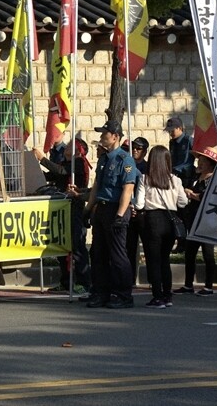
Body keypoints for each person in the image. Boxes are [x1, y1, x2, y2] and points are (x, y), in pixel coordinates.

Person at [80, 119, 138, 309]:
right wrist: (88, 209)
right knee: (98, 253)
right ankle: (100, 292)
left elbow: (127, 190)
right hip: (102, 209)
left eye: (104, 133)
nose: (101, 136)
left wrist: (121, 216)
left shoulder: (125, 160)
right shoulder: (104, 159)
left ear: (115, 136)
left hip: (115, 209)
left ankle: (123, 295)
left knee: (118, 255)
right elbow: (97, 186)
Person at [33, 139, 92, 295]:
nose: (66, 147)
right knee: (61, 244)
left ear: (79, 151)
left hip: (74, 208)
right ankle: (66, 281)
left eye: (71, 146)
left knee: (77, 246)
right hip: (62, 210)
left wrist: (42, 159)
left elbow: (60, 171)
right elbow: (53, 175)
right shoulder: (65, 163)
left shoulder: (78, 163)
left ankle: (83, 282)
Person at [134, 146, 188, 308]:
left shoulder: (145, 178)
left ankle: (157, 296)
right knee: (165, 259)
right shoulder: (175, 180)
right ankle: (168, 295)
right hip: (170, 220)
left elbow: (139, 203)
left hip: (152, 220)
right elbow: (183, 202)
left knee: (154, 260)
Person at [173, 145, 217, 297]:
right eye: (199, 160)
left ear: (211, 163)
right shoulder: (196, 177)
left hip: (207, 220)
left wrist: (191, 194)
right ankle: (188, 284)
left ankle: (209, 286)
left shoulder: (214, 179)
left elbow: (208, 197)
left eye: (203, 161)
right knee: (190, 253)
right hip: (193, 219)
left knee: (208, 253)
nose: (199, 163)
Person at [126, 136, 149, 285]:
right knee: (129, 247)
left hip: (143, 211)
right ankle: (130, 278)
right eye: (133, 147)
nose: (135, 150)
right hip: (129, 208)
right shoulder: (128, 165)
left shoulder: (148, 168)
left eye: (138, 148)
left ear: (145, 151)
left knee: (147, 246)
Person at [165, 117, 195, 187]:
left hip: (186, 177)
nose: (170, 133)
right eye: (169, 131)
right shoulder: (172, 142)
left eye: (172, 131)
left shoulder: (188, 140)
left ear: (180, 128)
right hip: (174, 175)